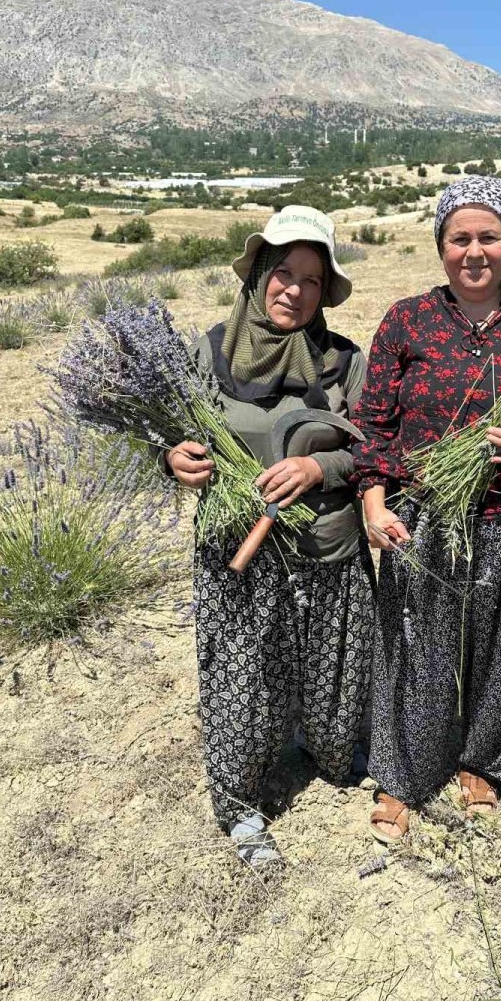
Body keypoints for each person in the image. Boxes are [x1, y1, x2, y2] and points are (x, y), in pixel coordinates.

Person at [352, 176, 501, 843]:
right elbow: (372, 426)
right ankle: (403, 774)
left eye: (489, 236)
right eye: (458, 237)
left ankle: (485, 764)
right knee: (415, 647)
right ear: (440, 247)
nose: (474, 250)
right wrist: (373, 503)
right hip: (423, 513)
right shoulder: (406, 320)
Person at [165, 205, 375, 867]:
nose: (295, 290)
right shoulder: (205, 353)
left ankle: (333, 753)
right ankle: (240, 805)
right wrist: (173, 458)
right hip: (239, 554)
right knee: (243, 678)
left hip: (330, 549)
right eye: (284, 273)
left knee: (335, 676)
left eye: (312, 281)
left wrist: (321, 465)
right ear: (257, 275)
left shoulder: (344, 362)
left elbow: (377, 452)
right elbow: (168, 436)